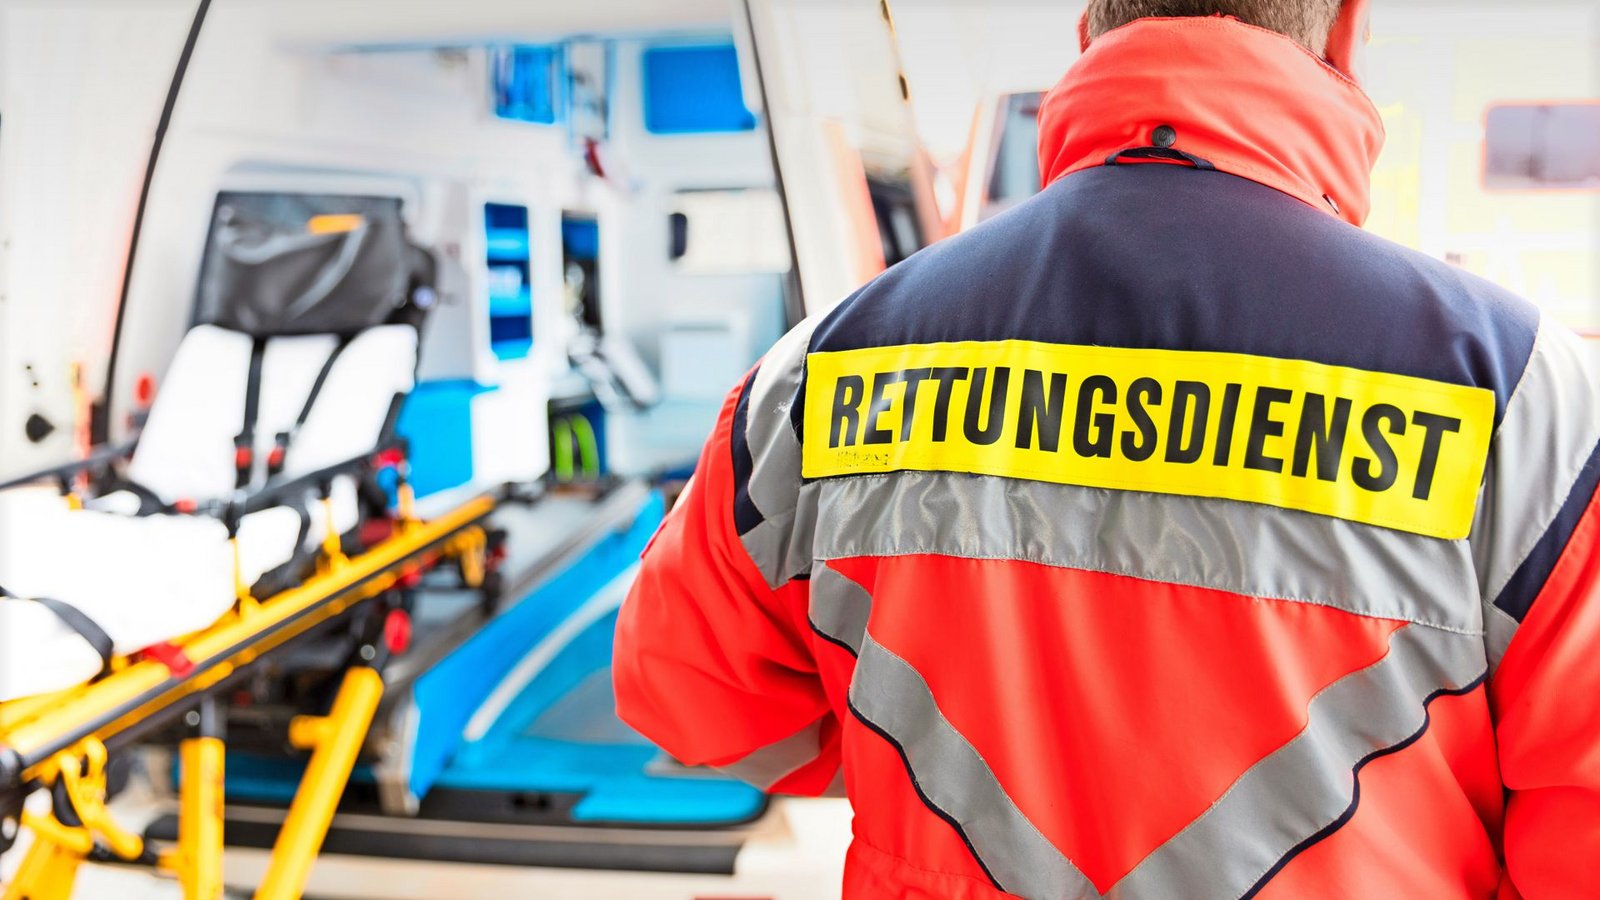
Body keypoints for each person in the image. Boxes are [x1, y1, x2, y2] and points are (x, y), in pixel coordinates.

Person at [613, 0, 1600, 895]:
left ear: (1088, 34)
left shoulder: (820, 371)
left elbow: (685, 700)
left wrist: (915, 766)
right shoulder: (1532, 403)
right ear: (1344, 33)